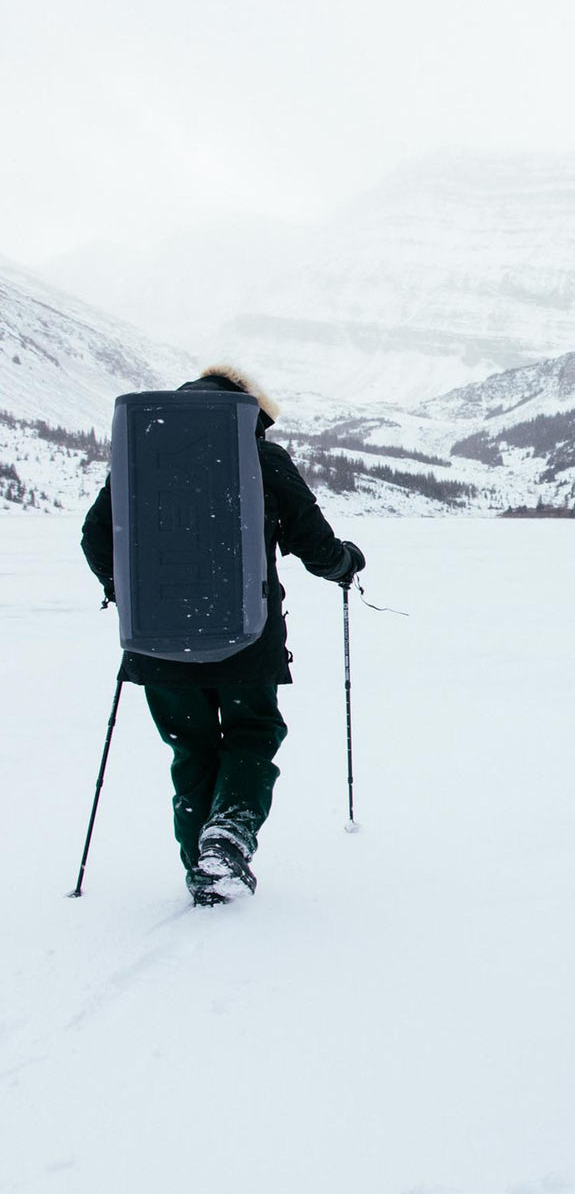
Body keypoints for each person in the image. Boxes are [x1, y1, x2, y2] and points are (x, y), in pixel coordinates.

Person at [81, 366, 366, 906]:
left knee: (191, 749)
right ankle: (228, 839)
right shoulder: (260, 456)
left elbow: (97, 536)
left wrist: (132, 595)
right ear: (250, 409)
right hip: (245, 636)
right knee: (252, 736)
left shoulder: (140, 450)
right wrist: (346, 563)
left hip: (157, 640)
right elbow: (315, 545)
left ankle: (204, 871)